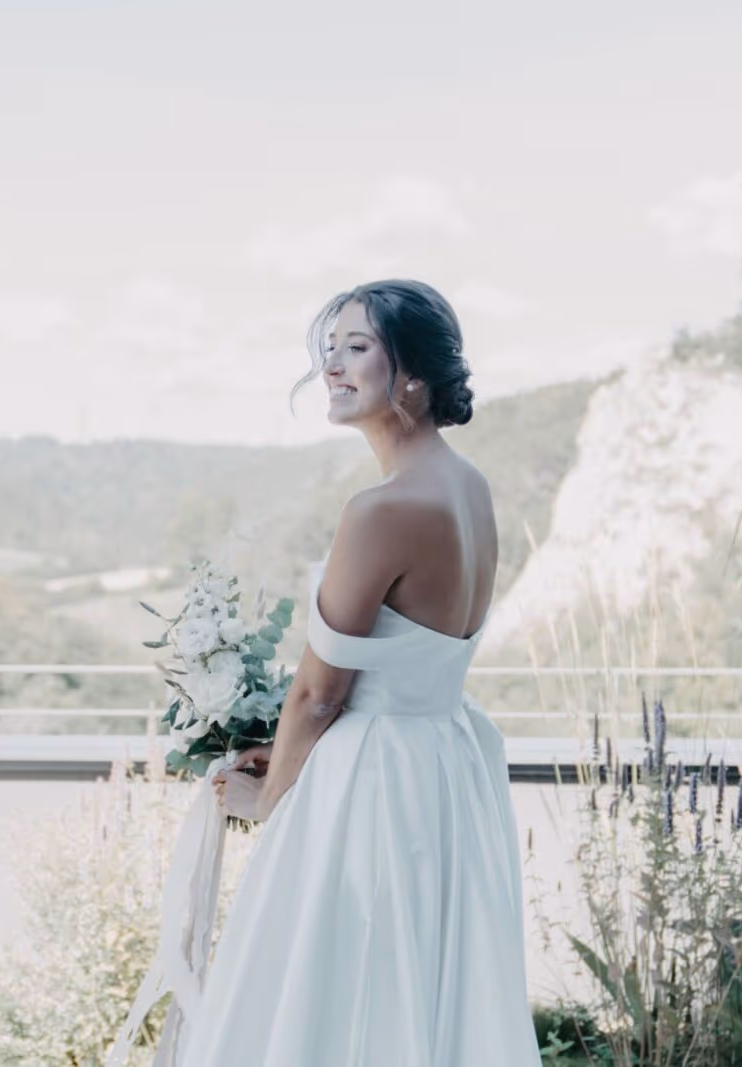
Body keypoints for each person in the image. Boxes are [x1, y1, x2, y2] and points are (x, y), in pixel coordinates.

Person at [190, 280, 539, 1065]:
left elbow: (320, 694)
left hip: (373, 784)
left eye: (357, 347)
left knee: (342, 998)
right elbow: (408, 659)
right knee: (422, 995)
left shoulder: (382, 509)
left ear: (412, 372)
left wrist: (270, 805)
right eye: (330, 349)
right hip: (445, 771)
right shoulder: (470, 487)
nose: (332, 367)